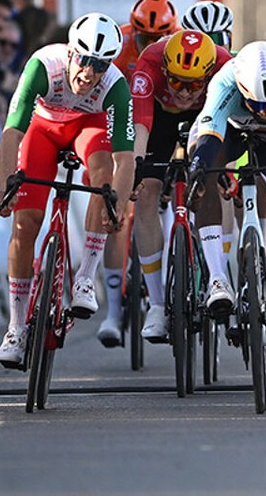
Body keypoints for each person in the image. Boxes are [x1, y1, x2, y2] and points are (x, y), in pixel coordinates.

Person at [0, 13, 136, 368]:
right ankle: (16, 327)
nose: (89, 73)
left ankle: (86, 276)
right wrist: (4, 185)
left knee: (103, 178)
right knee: (25, 225)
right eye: (85, 60)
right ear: (71, 53)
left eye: (100, 65)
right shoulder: (44, 64)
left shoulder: (115, 86)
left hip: (89, 128)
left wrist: (116, 205)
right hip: (44, 129)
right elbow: (12, 131)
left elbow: (125, 158)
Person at [188, 41, 266, 369]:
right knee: (205, 173)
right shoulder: (224, 82)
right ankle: (218, 278)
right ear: (242, 88)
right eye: (257, 103)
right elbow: (208, 136)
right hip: (229, 134)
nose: (264, 111)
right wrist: (199, 171)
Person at [101, 29, 231, 346]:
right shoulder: (150, 63)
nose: (185, 91)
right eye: (177, 82)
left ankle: (217, 277)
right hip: (159, 117)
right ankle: (157, 304)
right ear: (165, 71)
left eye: (194, 84)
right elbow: (141, 126)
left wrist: (222, 168)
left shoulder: (224, 66)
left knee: (208, 182)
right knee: (146, 194)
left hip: (205, 116)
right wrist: (138, 168)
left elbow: (223, 122)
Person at [114, 0, 179, 78]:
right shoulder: (120, 40)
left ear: (170, 36)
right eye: (144, 39)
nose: (149, 47)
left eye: (158, 40)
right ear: (133, 31)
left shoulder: (180, 41)